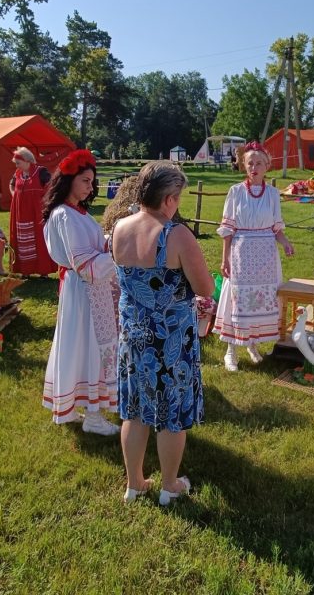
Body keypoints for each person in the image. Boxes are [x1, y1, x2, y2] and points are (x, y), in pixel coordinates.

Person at [112, 162, 214, 505]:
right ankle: (170, 486)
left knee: (135, 409)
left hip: (133, 335)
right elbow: (205, 287)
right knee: (172, 412)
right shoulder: (176, 234)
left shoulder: (119, 229)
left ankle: (134, 483)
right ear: (169, 198)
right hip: (170, 338)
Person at [41, 149, 120, 436]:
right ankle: (93, 415)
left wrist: (111, 239)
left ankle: (75, 405)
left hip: (83, 288)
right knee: (89, 346)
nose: (90, 186)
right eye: (85, 180)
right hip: (83, 287)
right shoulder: (65, 215)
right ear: (69, 180)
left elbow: (89, 249)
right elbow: (83, 263)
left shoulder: (75, 212)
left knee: (78, 345)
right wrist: (119, 253)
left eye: (91, 181)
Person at [213, 142, 294, 371]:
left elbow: (276, 228)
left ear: (267, 166)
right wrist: (224, 258)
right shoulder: (236, 192)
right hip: (242, 254)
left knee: (262, 301)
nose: (254, 167)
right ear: (244, 166)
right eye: (250, 163)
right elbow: (227, 229)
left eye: (259, 163)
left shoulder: (272, 194)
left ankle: (253, 345)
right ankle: (231, 351)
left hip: (266, 256)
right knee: (238, 300)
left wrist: (285, 242)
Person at [7, 147, 55, 276]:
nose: (16, 166)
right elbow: (11, 185)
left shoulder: (41, 172)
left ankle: (43, 271)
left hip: (36, 211)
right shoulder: (17, 174)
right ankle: (25, 270)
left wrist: (45, 199)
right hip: (21, 212)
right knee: (23, 239)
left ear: (27, 161)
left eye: (18, 163)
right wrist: (15, 195)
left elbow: (51, 184)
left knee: (39, 238)